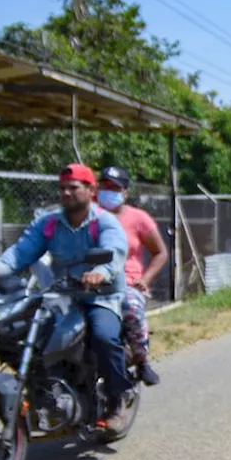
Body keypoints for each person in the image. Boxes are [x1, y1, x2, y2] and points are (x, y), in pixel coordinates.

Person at [0, 163, 137, 431]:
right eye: (62, 188)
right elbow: (21, 251)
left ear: (91, 190)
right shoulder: (48, 224)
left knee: (104, 336)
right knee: (26, 333)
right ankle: (44, 389)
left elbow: (115, 250)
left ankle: (118, 398)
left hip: (100, 296)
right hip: (60, 294)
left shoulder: (105, 222)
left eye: (73, 187)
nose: (67, 193)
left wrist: (100, 272)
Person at [97, 165, 168, 387]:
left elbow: (160, 253)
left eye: (114, 188)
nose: (108, 191)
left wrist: (145, 280)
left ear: (125, 193)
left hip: (126, 283)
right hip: (91, 281)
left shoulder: (138, 218)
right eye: (104, 186)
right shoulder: (89, 215)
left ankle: (141, 359)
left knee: (130, 306)